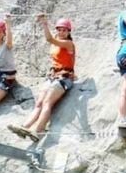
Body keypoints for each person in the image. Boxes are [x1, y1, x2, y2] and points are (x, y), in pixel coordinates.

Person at [8, 14, 76, 142]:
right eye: (59, 30)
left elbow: (49, 39)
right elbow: (53, 44)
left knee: (47, 103)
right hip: (53, 76)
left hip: (64, 78)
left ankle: (37, 131)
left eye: (64, 30)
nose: (61, 32)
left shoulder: (68, 43)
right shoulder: (57, 40)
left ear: (68, 31)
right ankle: (25, 127)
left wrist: (44, 23)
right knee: (39, 103)